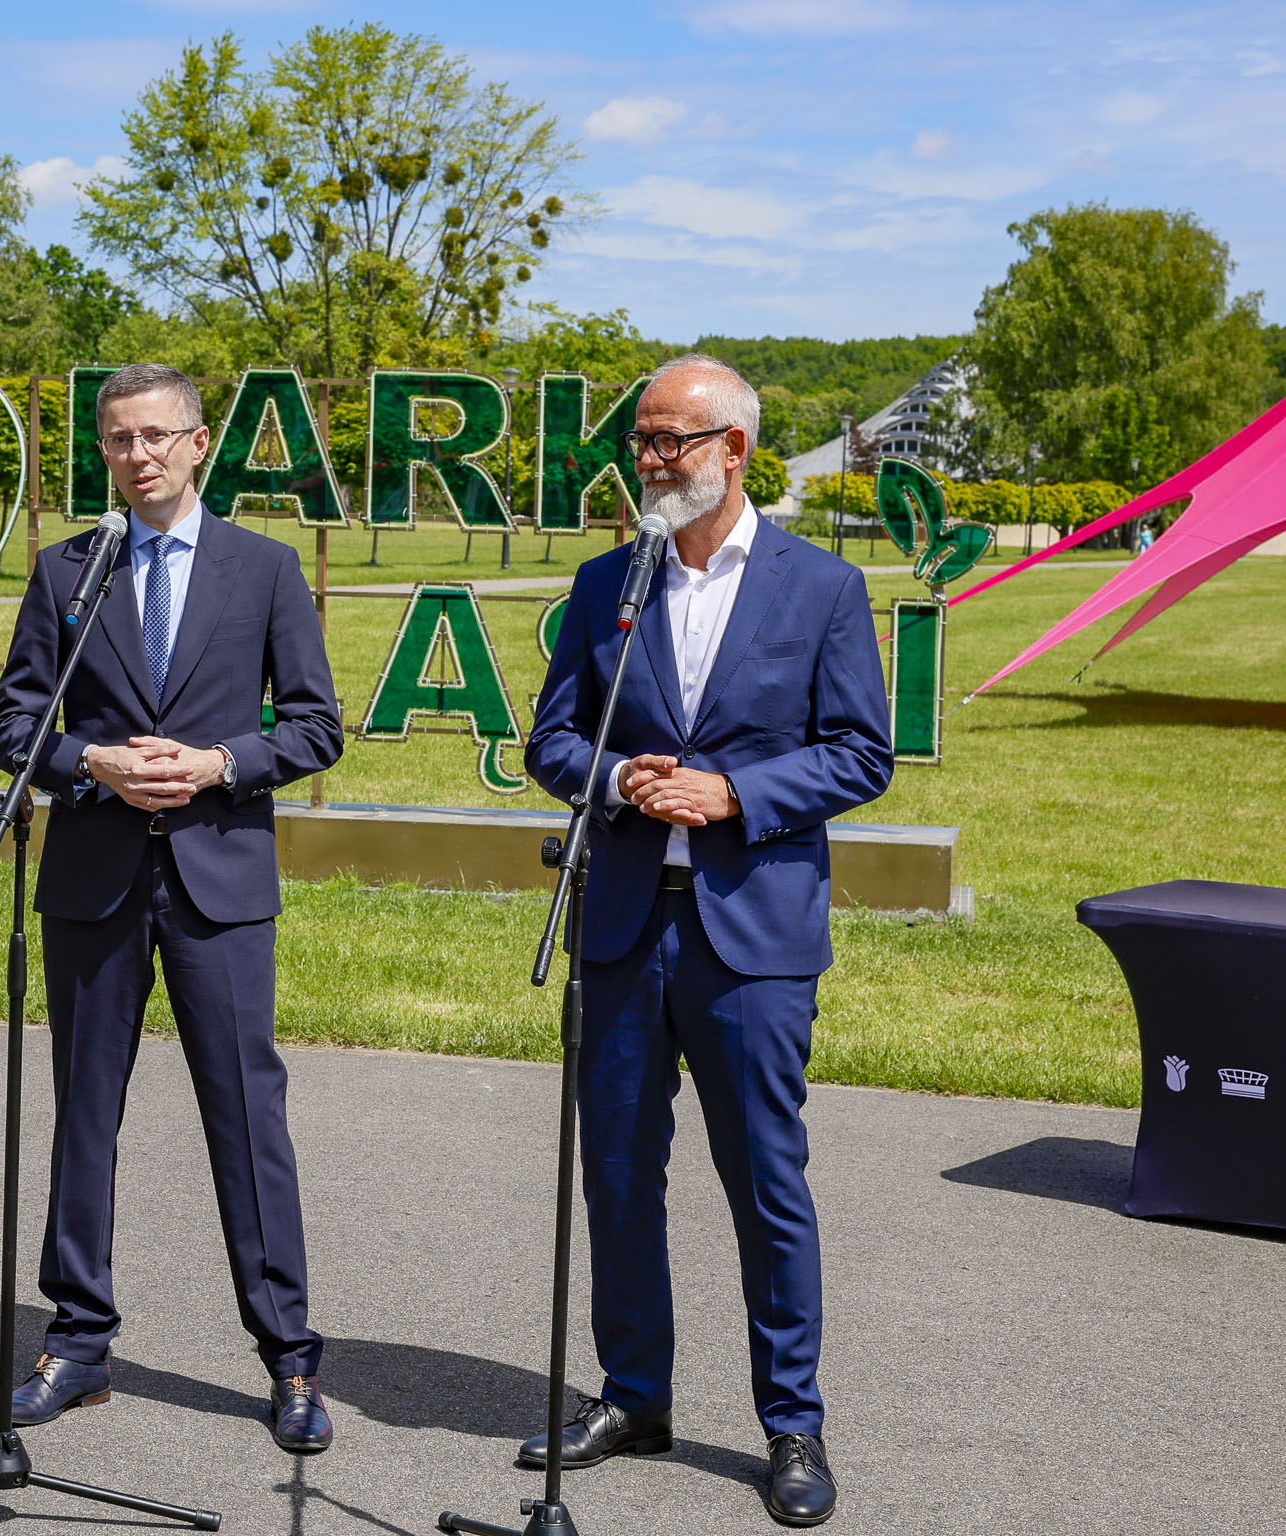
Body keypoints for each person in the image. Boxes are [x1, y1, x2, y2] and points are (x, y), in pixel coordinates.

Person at [523, 355, 892, 1527]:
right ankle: (634, 1397)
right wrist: (616, 781)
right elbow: (551, 740)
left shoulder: (819, 587)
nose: (647, 459)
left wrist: (732, 794)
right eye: (639, 439)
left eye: (669, 439)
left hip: (752, 941)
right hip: (622, 927)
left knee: (763, 1183)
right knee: (617, 1174)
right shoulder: (607, 582)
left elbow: (859, 753)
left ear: (734, 449)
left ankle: (791, 1424)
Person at [0, 363, 343, 1454]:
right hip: (92, 883)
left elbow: (315, 727)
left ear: (196, 444)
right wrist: (89, 762)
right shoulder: (68, 570)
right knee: (84, 1115)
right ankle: (77, 1342)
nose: (135, 456)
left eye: (154, 436)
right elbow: (14, 727)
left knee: (247, 1120)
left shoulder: (265, 569)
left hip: (217, 887)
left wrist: (218, 762)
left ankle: (289, 1358)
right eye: (116, 440)